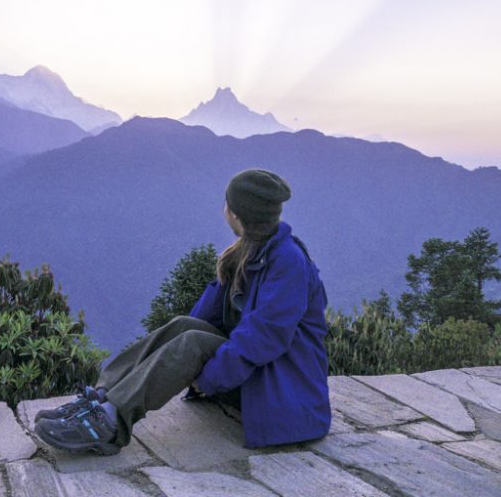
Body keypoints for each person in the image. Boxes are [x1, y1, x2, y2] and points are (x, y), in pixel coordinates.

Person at [33, 168, 331, 455]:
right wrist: (181, 365)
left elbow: (263, 338)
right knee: (182, 326)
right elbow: (200, 320)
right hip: (258, 380)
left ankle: (110, 423)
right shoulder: (246, 252)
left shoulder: (287, 262)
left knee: (193, 342)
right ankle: (102, 399)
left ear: (236, 214)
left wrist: (206, 379)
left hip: (283, 394)